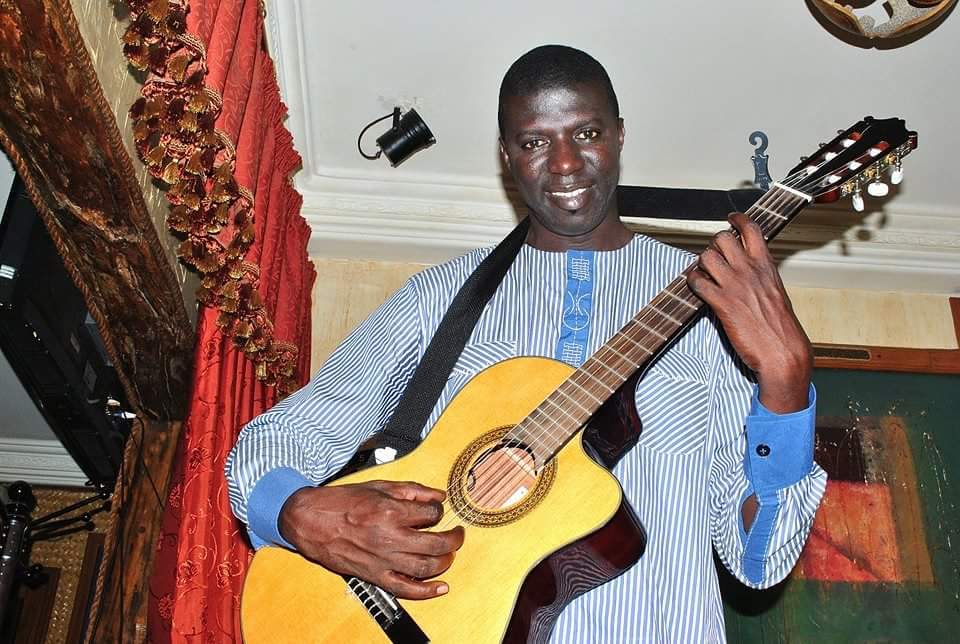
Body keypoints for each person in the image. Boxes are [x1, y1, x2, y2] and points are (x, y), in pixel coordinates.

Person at [226, 45, 826, 642]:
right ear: (507, 155)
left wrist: (786, 386)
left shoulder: (719, 304)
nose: (565, 163)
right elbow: (282, 437)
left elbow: (759, 558)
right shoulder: (439, 298)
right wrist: (298, 512)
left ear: (619, 135)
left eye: (586, 132)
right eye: (536, 142)